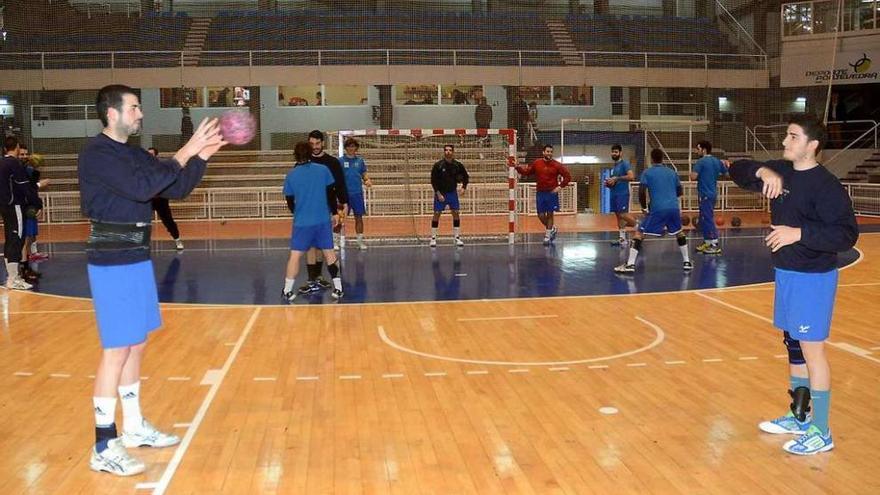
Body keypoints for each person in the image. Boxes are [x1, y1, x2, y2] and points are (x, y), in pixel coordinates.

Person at [78, 84, 224, 476]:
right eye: (135, 108)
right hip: (111, 259)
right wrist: (187, 149)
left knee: (136, 344)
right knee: (117, 349)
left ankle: (135, 426)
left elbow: (174, 187)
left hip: (136, 257)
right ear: (113, 113)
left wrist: (201, 158)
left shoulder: (131, 153)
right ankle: (103, 444)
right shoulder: (97, 154)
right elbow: (143, 187)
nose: (140, 114)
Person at [727, 115, 858, 456]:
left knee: (813, 351)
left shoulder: (827, 186)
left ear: (812, 145)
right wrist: (763, 172)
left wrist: (798, 233)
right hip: (787, 272)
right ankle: (799, 415)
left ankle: (821, 430)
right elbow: (736, 168)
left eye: (793, 137)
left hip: (813, 278)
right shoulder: (780, 172)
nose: (785, 142)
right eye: (786, 135)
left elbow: (846, 234)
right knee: (794, 346)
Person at [614, 148, 692, 274]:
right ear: (662, 159)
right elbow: (680, 192)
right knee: (679, 232)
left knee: (639, 233)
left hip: (658, 209)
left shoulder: (647, 172)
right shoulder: (672, 172)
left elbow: (641, 191)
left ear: (651, 159)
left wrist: (644, 207)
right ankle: (687, 262)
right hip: (673, 208)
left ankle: (630, 265)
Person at [282, 141, 343, 301]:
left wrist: (299, 212)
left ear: (295, 155)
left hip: (302, 222)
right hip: (322, 220)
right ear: (310, 153)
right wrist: (335, 213)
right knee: (329, 253)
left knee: (295, 256)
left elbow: (289, 201)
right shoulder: (323, 170)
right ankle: (338, 288)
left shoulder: (291, 175)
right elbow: (331, 194)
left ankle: (288, 291)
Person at [298, 130, 348, 294]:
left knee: (322, 246)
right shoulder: (303, 162)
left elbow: (339, 184)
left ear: (323, 143)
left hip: (328, 208)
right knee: (311, 245)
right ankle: (313, 279)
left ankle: (319, 278)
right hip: (308, 209)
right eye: (311, 144)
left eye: (317, 143)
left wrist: (344, 203)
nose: (315, 147)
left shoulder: (332, 162)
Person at [0, 137, 41, 290]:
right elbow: (24, 186)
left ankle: (10, 278)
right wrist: (37, 203)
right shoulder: (13, 163)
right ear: (16, 148)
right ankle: (14, 278)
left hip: (4, 206)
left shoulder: (2, 162)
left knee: (10, 239)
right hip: (15, 205)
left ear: (5, 149)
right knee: (17, 240)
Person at [516, 144, 571, 245]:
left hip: (551, 193)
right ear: (543, 152)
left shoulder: (557, 165)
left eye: (551, 152)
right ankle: (552, 228)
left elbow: (567, 176)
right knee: (540, 215)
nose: (549, 153)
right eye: (547, 151)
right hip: (540, 193)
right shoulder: (537, 163)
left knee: (550, 214)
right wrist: (517, 167)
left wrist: (560, 186)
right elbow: (527, 172)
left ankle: (547, 235)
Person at [690, 140, 727, 255]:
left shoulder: (701, 162)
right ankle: (707, 242)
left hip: (705, 194)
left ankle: (714, 244)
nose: (697, 151)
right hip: (712, 194)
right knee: (704, 219)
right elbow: (726, 173)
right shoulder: (717, 161)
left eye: (698, 148)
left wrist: (692, 172)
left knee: (708, 219)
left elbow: (693, 177)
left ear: (704, 149)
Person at [430, 144, 469, 247]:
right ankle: (433, 238)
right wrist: (438, 194)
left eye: (450, 150)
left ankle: (457, 238)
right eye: (446, 150)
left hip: (452, 193)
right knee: (437, 214)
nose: (448, 152)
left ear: (453, 152)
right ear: (444, 152)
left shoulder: (457, 165)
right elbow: (433, 181)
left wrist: (464, 187)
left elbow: (466, 176)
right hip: (441, 193)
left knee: (455, 213)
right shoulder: (438, 165)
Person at [148, 148, 184, 250]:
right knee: (142, 221)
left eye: (151, 154)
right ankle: (141, 243)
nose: (149, 155)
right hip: (148, 199)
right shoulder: (143, 167)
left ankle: (177, 240)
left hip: (161, 199)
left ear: (156, 155)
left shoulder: (161, 167)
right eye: (148, 153)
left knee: (168, 221)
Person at [340, 138, 372, 250]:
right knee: (340, 218)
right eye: (349, 146)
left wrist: (367, 180)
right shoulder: (340, 161)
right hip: (344, 194)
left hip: (357, 193)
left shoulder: (360, 161)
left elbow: (364, 173)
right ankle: (335, 241)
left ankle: (360, 242)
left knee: (359, 218)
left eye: (353, 146)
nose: (351, 148)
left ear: (356, 148)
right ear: (346, 148)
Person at [606, 144, 637, 246]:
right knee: (618, 216)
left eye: (616, 152)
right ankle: (622, 239)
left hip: (622, 194)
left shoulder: (625, 163)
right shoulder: (614, 167)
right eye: (613, 152)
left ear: (620, 153)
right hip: (614, 193)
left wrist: (616, 178)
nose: (614, 154)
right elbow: (614, 181)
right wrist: (609, 184)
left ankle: (640, 228)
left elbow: (631, 176)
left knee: (624, 214)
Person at [22, 151, 50, 264]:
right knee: (27, 235)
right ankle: (24, 258)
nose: (24, 156)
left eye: (26, 154)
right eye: (21, 154)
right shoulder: (27, 171)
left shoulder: (31, 171)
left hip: (31, 204)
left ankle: (32, 253)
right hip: (26, 205)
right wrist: (39, 184)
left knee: (32, 232)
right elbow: (30, 189)